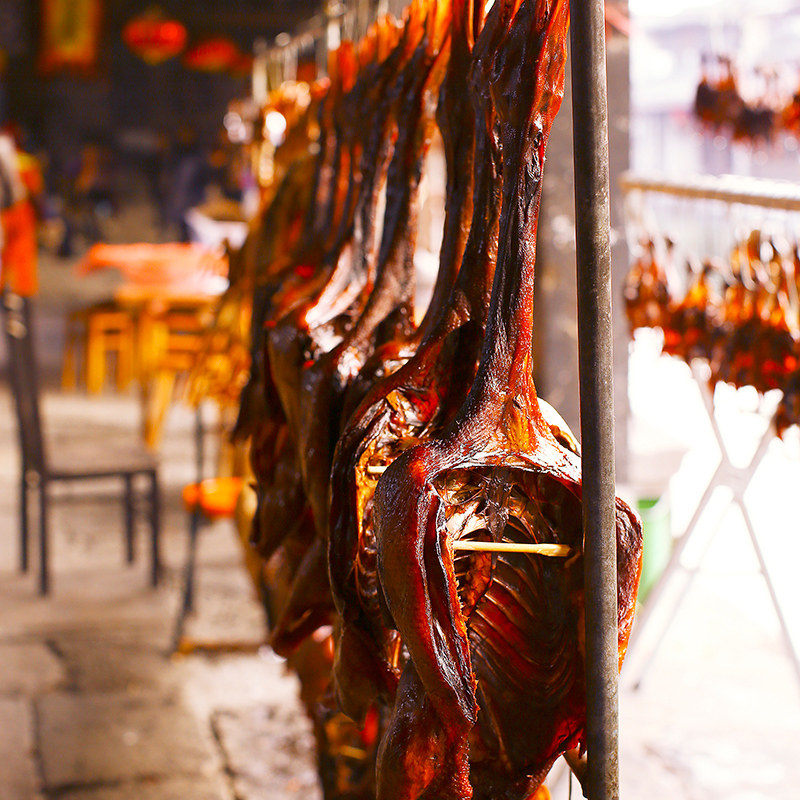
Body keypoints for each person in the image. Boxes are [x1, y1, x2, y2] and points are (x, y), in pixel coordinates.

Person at [0, 130, 42, 298]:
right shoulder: (27, 161)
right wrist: (45, 217)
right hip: (21, 212)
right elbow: (36, 192)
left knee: (5, 257)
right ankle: (21, 294)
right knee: (23, 258)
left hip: (5, 215)